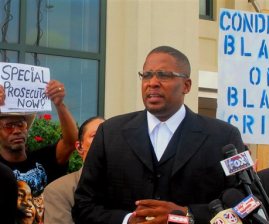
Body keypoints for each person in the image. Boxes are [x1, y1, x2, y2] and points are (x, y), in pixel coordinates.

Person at [72, 46, 247, 224]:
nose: (152, 82)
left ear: (186, 85)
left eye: (164, 75)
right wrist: (127, 221)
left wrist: (187, 215)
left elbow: (247, 202)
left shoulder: (224, 137)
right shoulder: (109, 133)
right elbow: (83, 205)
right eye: (146, 75)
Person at [0, 80, 78, 223]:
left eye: (20, 124)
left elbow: (71, 142)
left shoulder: (44, 159)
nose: (16, 130)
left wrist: (59, 104)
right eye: (9, 126)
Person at [43, 116, 105, 224]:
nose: (103, 140)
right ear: (79, 147)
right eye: (95, 135)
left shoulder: (130, 183)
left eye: (108, 135)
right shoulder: (58, 191)